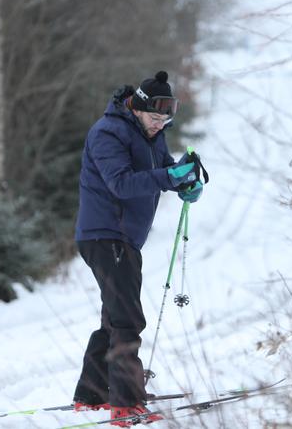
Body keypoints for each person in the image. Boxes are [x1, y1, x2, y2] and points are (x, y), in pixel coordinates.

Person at [72, 71, 203, 426]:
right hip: (104, 235)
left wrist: (185, 180)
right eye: (154, 117)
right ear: (137, 108)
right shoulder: (108, 133)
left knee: (114, 317)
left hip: (123, 238)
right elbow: (121, 184)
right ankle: (126, 403)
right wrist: (169, 179)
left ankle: (93, 394)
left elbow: (163, 170)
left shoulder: (152, 136)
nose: (160, 125)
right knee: (127, 319)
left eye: (166, 119)